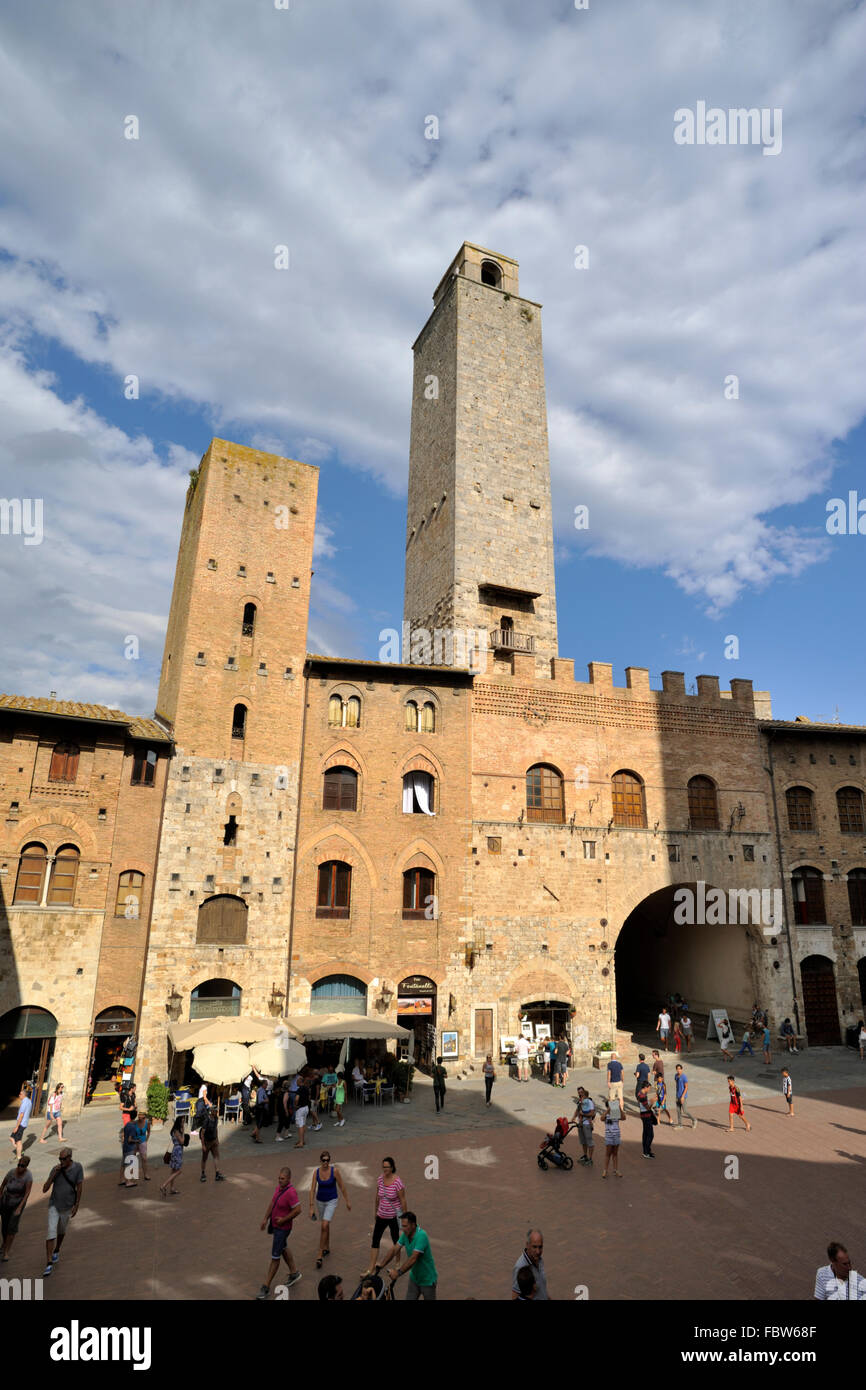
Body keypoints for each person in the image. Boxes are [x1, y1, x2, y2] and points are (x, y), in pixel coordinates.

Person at [258, 1166, 302, 1299]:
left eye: (282, 1179)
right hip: (276, 1226)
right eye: (279, 1178)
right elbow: (272, 1203)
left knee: (275, 1257)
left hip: (283, 1229)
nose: (280, 1181)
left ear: (288, 1179)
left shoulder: (291, 1192)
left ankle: (266, 1286)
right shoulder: (279, 1189)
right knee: (283, 1247)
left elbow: (298, 1210)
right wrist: (266, 1218)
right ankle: (294, 1272)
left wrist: (283, 1219)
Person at [362, 1156, 407, 1279]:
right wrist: (375, 1211)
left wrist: (404, 1217)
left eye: (387, 1167)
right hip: (381, 1214)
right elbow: (377, 1196)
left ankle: (397, 1262)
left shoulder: (397, 1182)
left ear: (392, 1167)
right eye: (383, 1167)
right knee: (375, 1240)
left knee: (395, 1240)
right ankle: (371, 1268)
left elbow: (403, 1200)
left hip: (393, 1216)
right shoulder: (380, 1179)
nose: (385, 1169)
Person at [377, 1210, 438, 1300]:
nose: (403, 1229)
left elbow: (413, 1258)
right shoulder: (406, 1234)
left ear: (413, 1225)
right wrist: (382, 1265)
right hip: (415, 1279)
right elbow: (395, 1249)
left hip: (427, 1280)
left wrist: (398, 1273)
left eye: (405, 1226)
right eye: (402, 1226)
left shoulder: (421, 1236)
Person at [42, 1147, 83, 1276]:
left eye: (63, 1159)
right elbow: (45, 1189)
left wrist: (76, 1205)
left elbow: (80, 1186)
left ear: (70, 1158)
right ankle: (48, 1263)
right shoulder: (55, 1169)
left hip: (67, 1205)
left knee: (61, 1231)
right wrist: (54, 1173)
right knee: (51, 1232)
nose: (61, 1161)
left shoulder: (77, 1167)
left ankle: (57, 1249)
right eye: (60, 1159)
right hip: (54, 1204)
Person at [310, 1148, 351, 1269]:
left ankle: (319, 1254)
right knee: (325, 1225)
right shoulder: (316, 1172)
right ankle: (326, 1247)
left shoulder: (335, 1171)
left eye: (328, 1160)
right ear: (320, 1161)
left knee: (324, 1225)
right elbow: (312, 1189)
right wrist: (311, 1206)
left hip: (332, 1201)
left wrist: (347, 1201)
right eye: (323, 1160)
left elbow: (342, 1186)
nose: (325, 1163)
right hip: (320, 1201)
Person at [0, 1154, 32, 1261]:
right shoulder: (11, 1172)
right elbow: (3, 1185)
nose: (19, 1167)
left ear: (26, 1167)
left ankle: (6, 1251)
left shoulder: (28, 1177)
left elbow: (27, 1193)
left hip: (17, 1204)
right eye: (19, 1165)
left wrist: (20, 1207)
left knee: (11, 1228)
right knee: (4, 1226)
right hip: (6, 1201)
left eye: (22, 1166)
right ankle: (4, 1243)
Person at [511, 1229, 549, 1299]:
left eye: (540, 1247)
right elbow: (515, 1296)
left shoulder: (539, 1260)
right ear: (527, 1245)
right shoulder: (520, 1268)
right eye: (534, 1247)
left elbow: (542, 1287)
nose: (538, 1251)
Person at [160, 1116, 187, 1196]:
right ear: (178, 1123)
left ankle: (172, 1189)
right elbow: (182, 1141)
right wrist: (184, 1132)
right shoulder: (176, 1131)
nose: (183, 1123)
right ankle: (163, 1185)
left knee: (173, 1171)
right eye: (182, 1122)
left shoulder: (175, 1130)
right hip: (177, 1152)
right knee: (178, 1171)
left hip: (176, 1150)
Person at [199, 1102, 226, 1182]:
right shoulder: (206, 1120)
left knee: (216, 1156)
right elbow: (202, 1133)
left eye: (217, 1111)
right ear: (211, 1111)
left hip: (213, 1141)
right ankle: (203, 1174)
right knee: (204, 1158)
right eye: (215, 1111)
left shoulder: (216, 1119)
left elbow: (215, 1129)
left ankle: (217, 1174)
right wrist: (203, 1145)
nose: (217, 1112)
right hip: (207, 1142)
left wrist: (217, 1139)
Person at [570, 1087, 595, 1165]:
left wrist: (583, 1114)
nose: (580, 1094)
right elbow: (577, 1110)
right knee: (583, 1141)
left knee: (589, 1142)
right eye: (579, 1093)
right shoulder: (580, 1102)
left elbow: (592, 1113)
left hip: (587, 1124)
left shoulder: (589, 1102)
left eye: (581, 1093)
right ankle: (585, 1156)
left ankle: (590, 1159)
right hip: (580, 1124)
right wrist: (573, 1118)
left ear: (584, 1093)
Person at [9, 1082, 33, 1162]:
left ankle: (19, 1155)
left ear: (24, 1095)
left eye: (20, 1094)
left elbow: (21, 1115)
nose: (19, 1095)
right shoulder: (29, 1101)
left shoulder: (24, 1103)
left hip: (21, 1124)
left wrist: (16, 1126)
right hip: (24, 1123)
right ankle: (20, 1150)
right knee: (13, 1138)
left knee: (17, 1140)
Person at [119, 1106, 140, 1188]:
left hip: (125, 1148)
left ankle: (121, 1179)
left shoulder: (127, 1124)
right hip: (130, 1148)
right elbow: (130, 1139)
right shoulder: (132, 1127)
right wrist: (137, 1141)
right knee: (130, 1164)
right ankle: (128, 1181)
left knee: (123, 1164)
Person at [601, 1101, 624, 1178]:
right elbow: (601, 1118)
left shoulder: (616, 1113)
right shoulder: (606, 1114)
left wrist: (620, 1109)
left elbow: (624, 1118)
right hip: (609, 1136)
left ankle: (616, 1170)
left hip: (616, 1135)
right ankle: (605, 1171)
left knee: (615, 1154)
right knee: (608, 1154)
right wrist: (608, 1110)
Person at [674, 1064, 697, 1128]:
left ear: (681, 1069)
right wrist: (677, 1095)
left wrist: (682, 1097)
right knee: (678, 1111)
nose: (678, 1070)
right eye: (677, 1069)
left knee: (685, 1111)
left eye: (679, 1069)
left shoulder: (684, 1077)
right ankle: (680, 1125)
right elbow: (677, 1085)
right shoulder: (676, 1076)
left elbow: (686, 1087)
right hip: (677, 1096)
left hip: (683, 1097)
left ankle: (694, 1120)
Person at [637, 1083, 656, 1157]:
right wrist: (652, 1102)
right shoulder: (643, 1096)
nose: (649, 1090)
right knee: (650, 1135)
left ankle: (646, 1151)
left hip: (643, 1115)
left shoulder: (639, 1093)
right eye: (648, 1088)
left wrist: (650, 1101)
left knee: (645, 1133)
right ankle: (646, 1152)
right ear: (645, 1087)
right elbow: (648, 1108)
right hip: (646, 1116)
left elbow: (643, 1105)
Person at [134, 1110, 151, 1181]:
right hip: (134, 1142)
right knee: (133, 1158)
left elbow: (149, 1132)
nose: (140, 1118)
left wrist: (146, 1140)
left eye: (141, 1117)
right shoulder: (135, 1123)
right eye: (139, 1116)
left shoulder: (147, 1123)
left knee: (144, 1159)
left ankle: (146, 1174)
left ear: (144, 1117)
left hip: (142, 1142)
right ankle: (133, 1175)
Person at [294, 1076, 310, 1148]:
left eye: (297, 1081)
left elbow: (297, 1099)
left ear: (300, 1082)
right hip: (306, 1107)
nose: (296, 1082)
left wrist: (295, 1105)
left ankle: (301, 1142)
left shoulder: (299, 1089)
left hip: (300, 1108)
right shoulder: (307, 1088)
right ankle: (302, 1140)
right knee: (303, 1124)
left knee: (300, 1125)